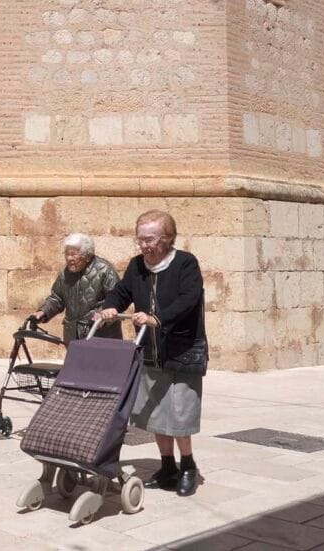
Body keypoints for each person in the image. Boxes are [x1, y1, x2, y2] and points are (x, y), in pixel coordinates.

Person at [96, 209, 207, 497]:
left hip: (182, 351)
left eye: (151, 239)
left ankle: (188, 466)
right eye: (141, 239)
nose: (145, 245)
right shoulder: (137, 266)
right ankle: (167, 466)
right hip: (150, 350)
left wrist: (158, 318)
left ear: (167, 238)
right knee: (156, 412)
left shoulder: (185, 263)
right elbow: (122, 291)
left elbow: (189, 299)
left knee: (180, 414)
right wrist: (109, 307)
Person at [31, 233, 122, 343]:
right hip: (73, 335)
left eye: (74, 254)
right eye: (67, 254)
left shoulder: (105, 270)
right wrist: (43, 312)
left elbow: (117, 299)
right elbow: (57, 298)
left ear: (87, 256)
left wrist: (103, 314)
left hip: (100, 334)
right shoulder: (65, 273)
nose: (69, 258)